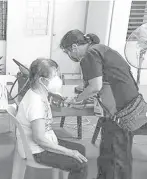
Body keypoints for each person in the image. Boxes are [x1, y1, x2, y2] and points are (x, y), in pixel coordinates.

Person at [59, 29, 147, 179]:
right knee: (109, 151)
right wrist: (86, 95)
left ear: (74, 47)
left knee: (117, 154)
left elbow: (95, 86)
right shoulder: (101, 49)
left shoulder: (89, 55)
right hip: (124, 107)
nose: (70, 56)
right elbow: (103, 83)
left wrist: (77, 99)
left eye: (68, 52)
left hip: (120, 112)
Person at [16, 58, 88, 179]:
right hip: (37, 151)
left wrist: (58, 98)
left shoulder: (36, 92)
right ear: (42, 80)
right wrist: (69, 152)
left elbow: (47, 98)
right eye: (54, 76)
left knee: (80, 149)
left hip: (41, 143)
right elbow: (39, 139)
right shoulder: (35, 104)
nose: (57, 79)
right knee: (79, 163)